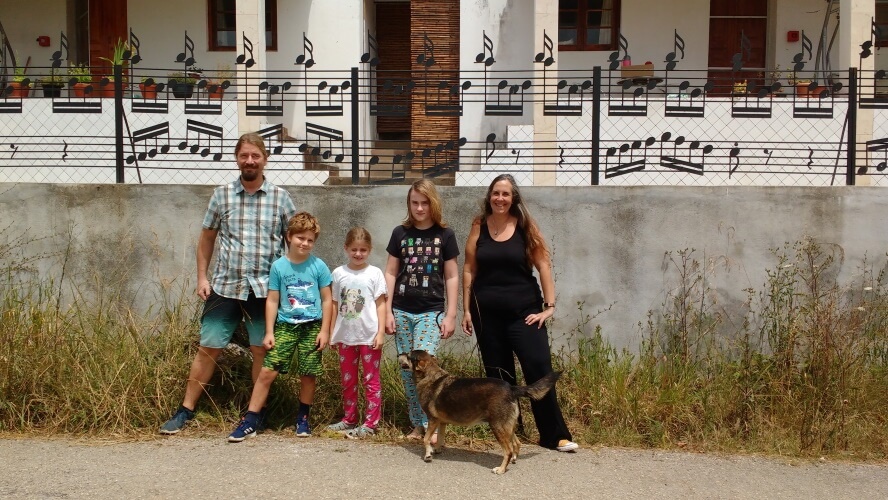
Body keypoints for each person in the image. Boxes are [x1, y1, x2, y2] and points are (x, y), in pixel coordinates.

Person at [159, 132, 297, 435]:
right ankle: (185, 410)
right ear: (237, 158)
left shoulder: (281, 197)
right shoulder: (221, 195)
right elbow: (207, 238)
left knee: (261, 350)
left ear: (265, 159)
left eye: (255, 156)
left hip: (264, 290)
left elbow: (295, 242)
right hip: (225, 286)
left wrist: (289, 285)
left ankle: (255, 414)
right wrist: (201, 277)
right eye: (244, 155)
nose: (249, 161)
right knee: (208, 347)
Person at [461, 174, 578, 453]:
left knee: (538, 369)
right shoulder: (479, 225)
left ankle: (554, 435)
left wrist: (548, 308)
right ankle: (512, 433)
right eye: (496, 193)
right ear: (489, 196)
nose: (500, 198)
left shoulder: (525, 226)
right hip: (486, 315)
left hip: (525, 314)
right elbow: (468, 269)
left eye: (506, 194)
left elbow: (544, 266)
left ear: (514, 198)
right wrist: (466, 310)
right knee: (500, 378)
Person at [228, 211, 333, 442]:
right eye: (300, 238)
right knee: (267, 372)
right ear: (289, 236)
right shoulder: (279, 267)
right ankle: (251, 420)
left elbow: (327, 299)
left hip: (312, 327)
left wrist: (325, 330)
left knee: (308, 374)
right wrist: (269, 331)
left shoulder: (319, 266)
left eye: (310, 240)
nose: (304, 243)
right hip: (285, 326)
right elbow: (273, 300)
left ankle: (303, 418)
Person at [384, 179, 460, 442]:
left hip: (431, 311)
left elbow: (451, 275)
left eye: (424, 202)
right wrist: (387, 311)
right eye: (414, 202)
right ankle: (418, 425)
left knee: (426, 368)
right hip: (402, 310)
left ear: (433, 203)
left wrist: (450, 314)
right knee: (408, 371)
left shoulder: (445, 235)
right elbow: (391, 272)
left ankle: (434, 424)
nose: (419, 208)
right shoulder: (400, 233)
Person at [325, 227, 388, 439]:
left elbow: (381, 304)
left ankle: (371, 423)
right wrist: (333, 332)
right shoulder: (338, 273)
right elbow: (334, 304)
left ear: (369, 250)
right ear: (346, 248)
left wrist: (380, 333)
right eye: (354, 249)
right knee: (348, 380)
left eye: (363, 250)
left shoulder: (375, 273)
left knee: (371, 380)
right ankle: (349, 418)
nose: (358, 254)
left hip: (369, 337)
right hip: (345, 337)